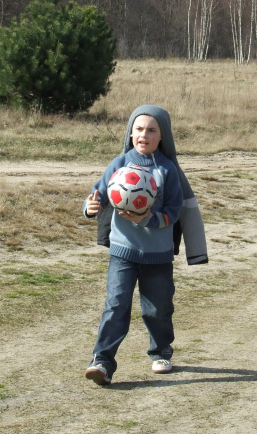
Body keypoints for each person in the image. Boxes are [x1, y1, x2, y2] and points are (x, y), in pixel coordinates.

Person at [83, 105, 189, 386]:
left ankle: (161, 351)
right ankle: (102, 362)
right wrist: (90, 206)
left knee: (158, 309)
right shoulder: (119, 164)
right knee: (116, 305)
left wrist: (148, 219)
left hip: (158, 254)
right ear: (130, 134)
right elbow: (98, 194)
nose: (144, 134)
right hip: (123, 252)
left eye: (151, 130)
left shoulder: (167, 170)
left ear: (162, 136)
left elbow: (174, 211)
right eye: (139, 129)